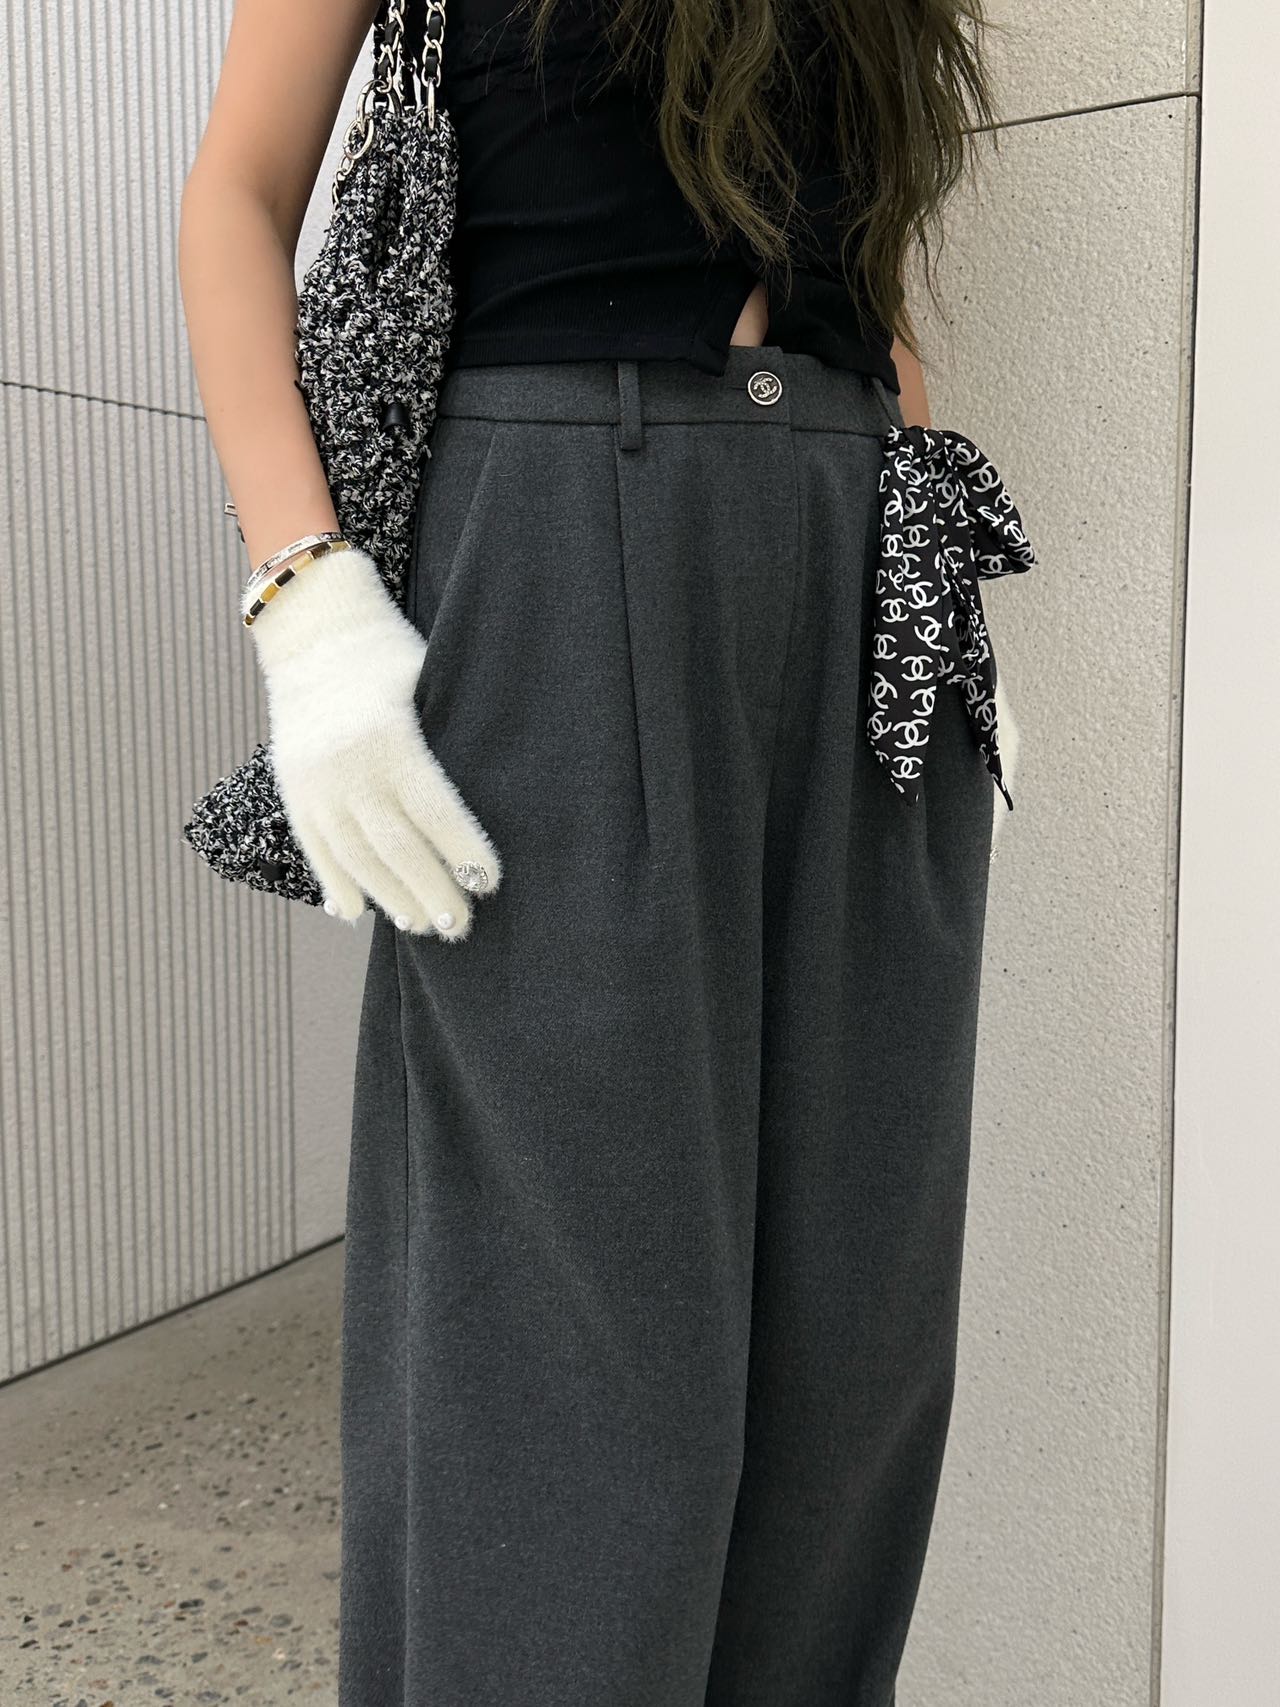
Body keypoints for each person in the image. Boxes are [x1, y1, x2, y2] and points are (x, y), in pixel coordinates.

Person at [179, 0, 1031, 1701]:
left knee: (855, 1331)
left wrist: (925, 511)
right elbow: (239, 192)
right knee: (570, 1335)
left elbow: (863, 243)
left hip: (863, 530)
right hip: (563, 523)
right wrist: (303, 591)